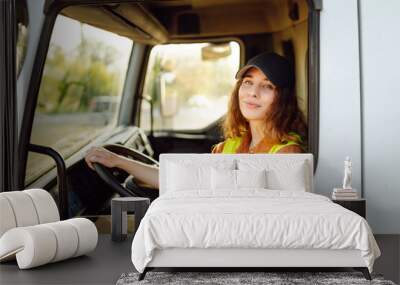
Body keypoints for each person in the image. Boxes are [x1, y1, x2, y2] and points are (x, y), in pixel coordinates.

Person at [85, 52, 307, 197]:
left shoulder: (287, 153)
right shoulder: (230, 145)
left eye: (266, 86)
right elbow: (185, 177)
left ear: (283, 98)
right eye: (248, 83)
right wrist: (116, 161)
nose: (252, 93)